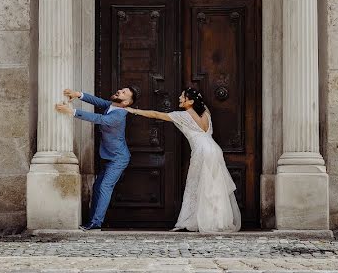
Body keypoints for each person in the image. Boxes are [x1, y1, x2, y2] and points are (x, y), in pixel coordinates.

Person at [125, 87, 241, 232]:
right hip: (215, 150)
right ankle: (217, 221)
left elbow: (156, 114)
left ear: (190, 101)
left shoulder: (183, 116)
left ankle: (195, 220)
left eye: (183, 96)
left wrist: (133, 110)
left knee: (197, 184)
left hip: (201, 151)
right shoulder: (206, 113)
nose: (179, 98)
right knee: (215, 186)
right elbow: (201, 105)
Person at [55, 86, 140, 231]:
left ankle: (96, 223)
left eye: (124, 93)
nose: (119, 90)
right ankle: (92, 220)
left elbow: (99, 118)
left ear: (126, 103)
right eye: (121, 89)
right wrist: (78, 94)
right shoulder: (112, 105)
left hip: (118, 159)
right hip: (108, 156)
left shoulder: (119, 115)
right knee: (97, 187)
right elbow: (98, 101)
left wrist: (72, 112)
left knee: (105, 187)